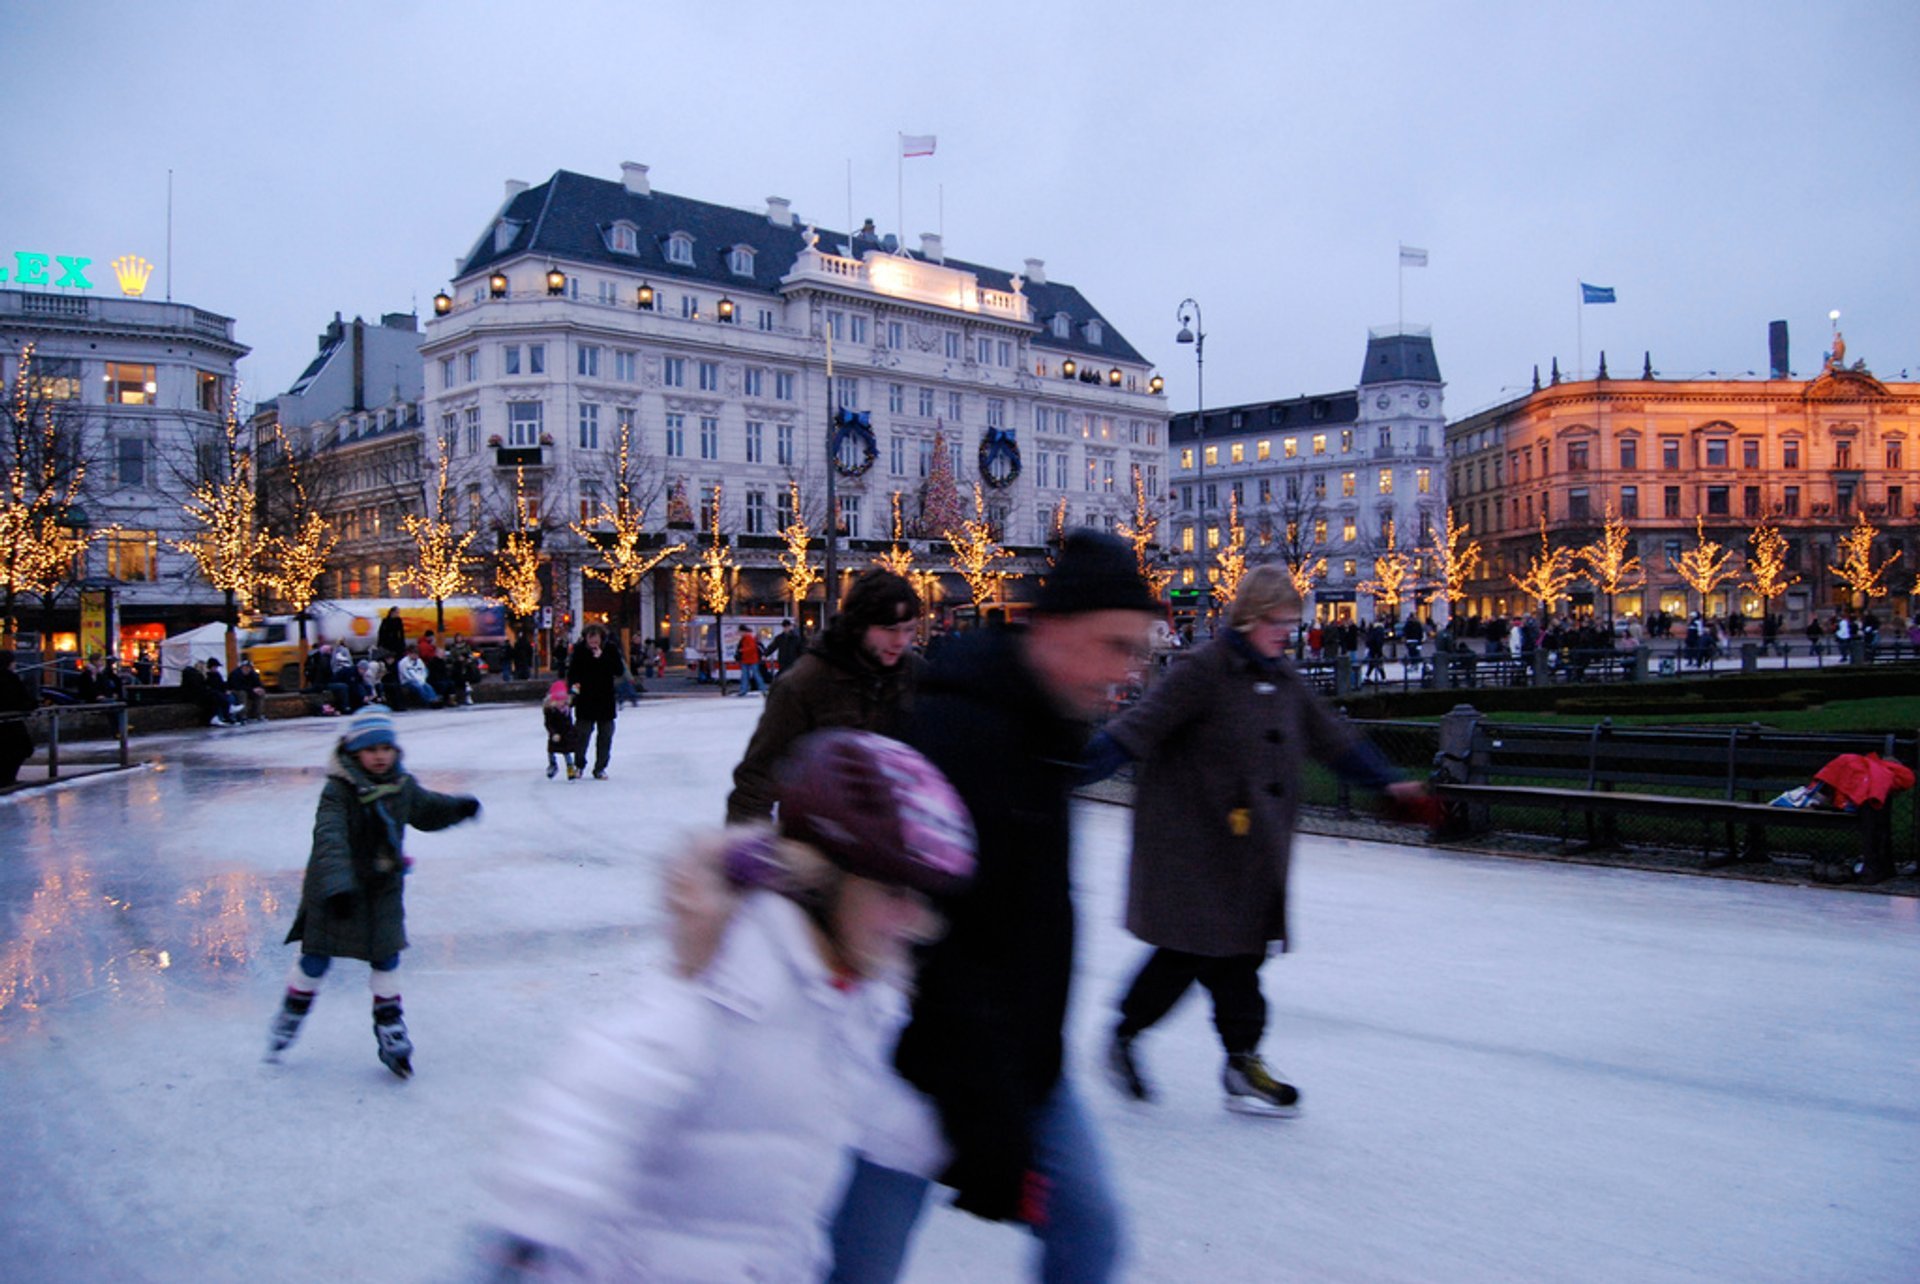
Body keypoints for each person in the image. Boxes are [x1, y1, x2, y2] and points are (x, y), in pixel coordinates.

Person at [478, 730, 976, 1282]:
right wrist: (523, 1242)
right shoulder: (727, 985)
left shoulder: (860, 1002)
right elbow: (585, 1111)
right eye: (892, 894)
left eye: (920, 898)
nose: (912, 920)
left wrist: (969, 1140)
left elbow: (867, 1106)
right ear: (823, 876)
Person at [826, 530, 1159, 1284]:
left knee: (1091, 1234)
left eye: (1137, 651)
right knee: (855, 1268)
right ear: (1051, 629)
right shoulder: (959, 732)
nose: (1126, 673)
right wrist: (991, 1116)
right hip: (916, 1060)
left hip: (1020, 1054)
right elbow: (934, 946)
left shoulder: (1048, 730)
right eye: (1114, 645)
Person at [1086, 566, 1432, 1116]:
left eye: (1291, 624)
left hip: (1247, 852)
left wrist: (1388, 781)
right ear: (1248, 618)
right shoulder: (1203, 672)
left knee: (1238, 957)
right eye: (1277, 623)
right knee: (1188, 952)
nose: (1285, 634)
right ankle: (1132, 1037)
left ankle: (1240, 1060)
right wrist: (1065, 771)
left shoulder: (1284, 679)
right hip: (1190, 846)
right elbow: (1136, 729)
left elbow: (1334, 740)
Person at [265, 705, 481, 1077]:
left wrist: (457, 808)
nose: (380, 756)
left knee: (387, 957)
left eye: (386, 748)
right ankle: (291, 1014)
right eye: (371, 749)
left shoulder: (401, 786)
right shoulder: (338, 792)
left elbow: (427, 809)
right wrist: (338, 887)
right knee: (316, 959)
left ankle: (390, 1027)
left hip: (382, 888)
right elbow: (329, 840)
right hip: (336, 889)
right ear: (354, 752)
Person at [726, 569, 922, 825]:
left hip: (899, 839)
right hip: (820, 842)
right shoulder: (805, 683)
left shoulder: (916, 672)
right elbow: (757, 781)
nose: (901, 641)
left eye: (909, 630)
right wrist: (747, 854)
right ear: (858, 625)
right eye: (889, 629)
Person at [567, 624, 626, 780]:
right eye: (590, 641)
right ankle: (579, 764)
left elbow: (619, 670)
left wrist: (603, 658)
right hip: (585, 699)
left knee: (605, 735)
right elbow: (572, 673)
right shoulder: (579, 650)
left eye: (596, 641)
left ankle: (600, 767)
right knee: (582, 735)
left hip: (605, 699)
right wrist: (573, 691)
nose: (593, 644)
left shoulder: (610, 650)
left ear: (601, 639)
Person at [0, 649, 35, 785]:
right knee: (18, 749)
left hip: (6, 720)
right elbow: (21, 699)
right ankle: (8, 779)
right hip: (11, 723)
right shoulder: (10, 678)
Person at [543, 680, 577, 780]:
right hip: (555, 736)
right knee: (551, 752)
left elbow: (575, 696)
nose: (559, 703)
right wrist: (553, 733)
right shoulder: (550, 711)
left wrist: (576, 687)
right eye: (556, 700)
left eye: (562, 700)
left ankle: (570, 769)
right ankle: (553, 766)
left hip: (566, 735)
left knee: (567, 754)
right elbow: (548, 724)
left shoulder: (567, 708)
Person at [229, 657, 268, 723]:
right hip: (236, 690)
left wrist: (260, 689)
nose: (247, 669)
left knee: (260, 694)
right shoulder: (235, 674)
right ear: (242, 667)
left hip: (249, 690)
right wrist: (252, 690)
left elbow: (258, 682)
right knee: (242, 694)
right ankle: (243, 716)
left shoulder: (253, 674)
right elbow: (237, 686)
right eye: (245, 667)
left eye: (249, 667)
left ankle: (257, 715)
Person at [734, 624, 766, 696]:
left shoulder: (747, 638)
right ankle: (763, 689)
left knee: (747, 676)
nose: (739, 633)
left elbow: (751, 648)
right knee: (755, 675)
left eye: (740, 632)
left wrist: (742, 650)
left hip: (749, 659)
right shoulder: (748, 638)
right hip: (750, 659)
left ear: (743, 631)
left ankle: (744, 690)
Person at [770, 618, 804, 684]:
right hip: (783, 660)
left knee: (791, 676)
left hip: (792, 660)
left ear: (790, 627)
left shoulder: (796, 638)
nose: (786, 628)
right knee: (784, 675)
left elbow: (801, 649)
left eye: (787, 627)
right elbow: (773, 646)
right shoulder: (780, 638)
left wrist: (801, 659)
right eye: (785, 627)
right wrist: (765, 654)